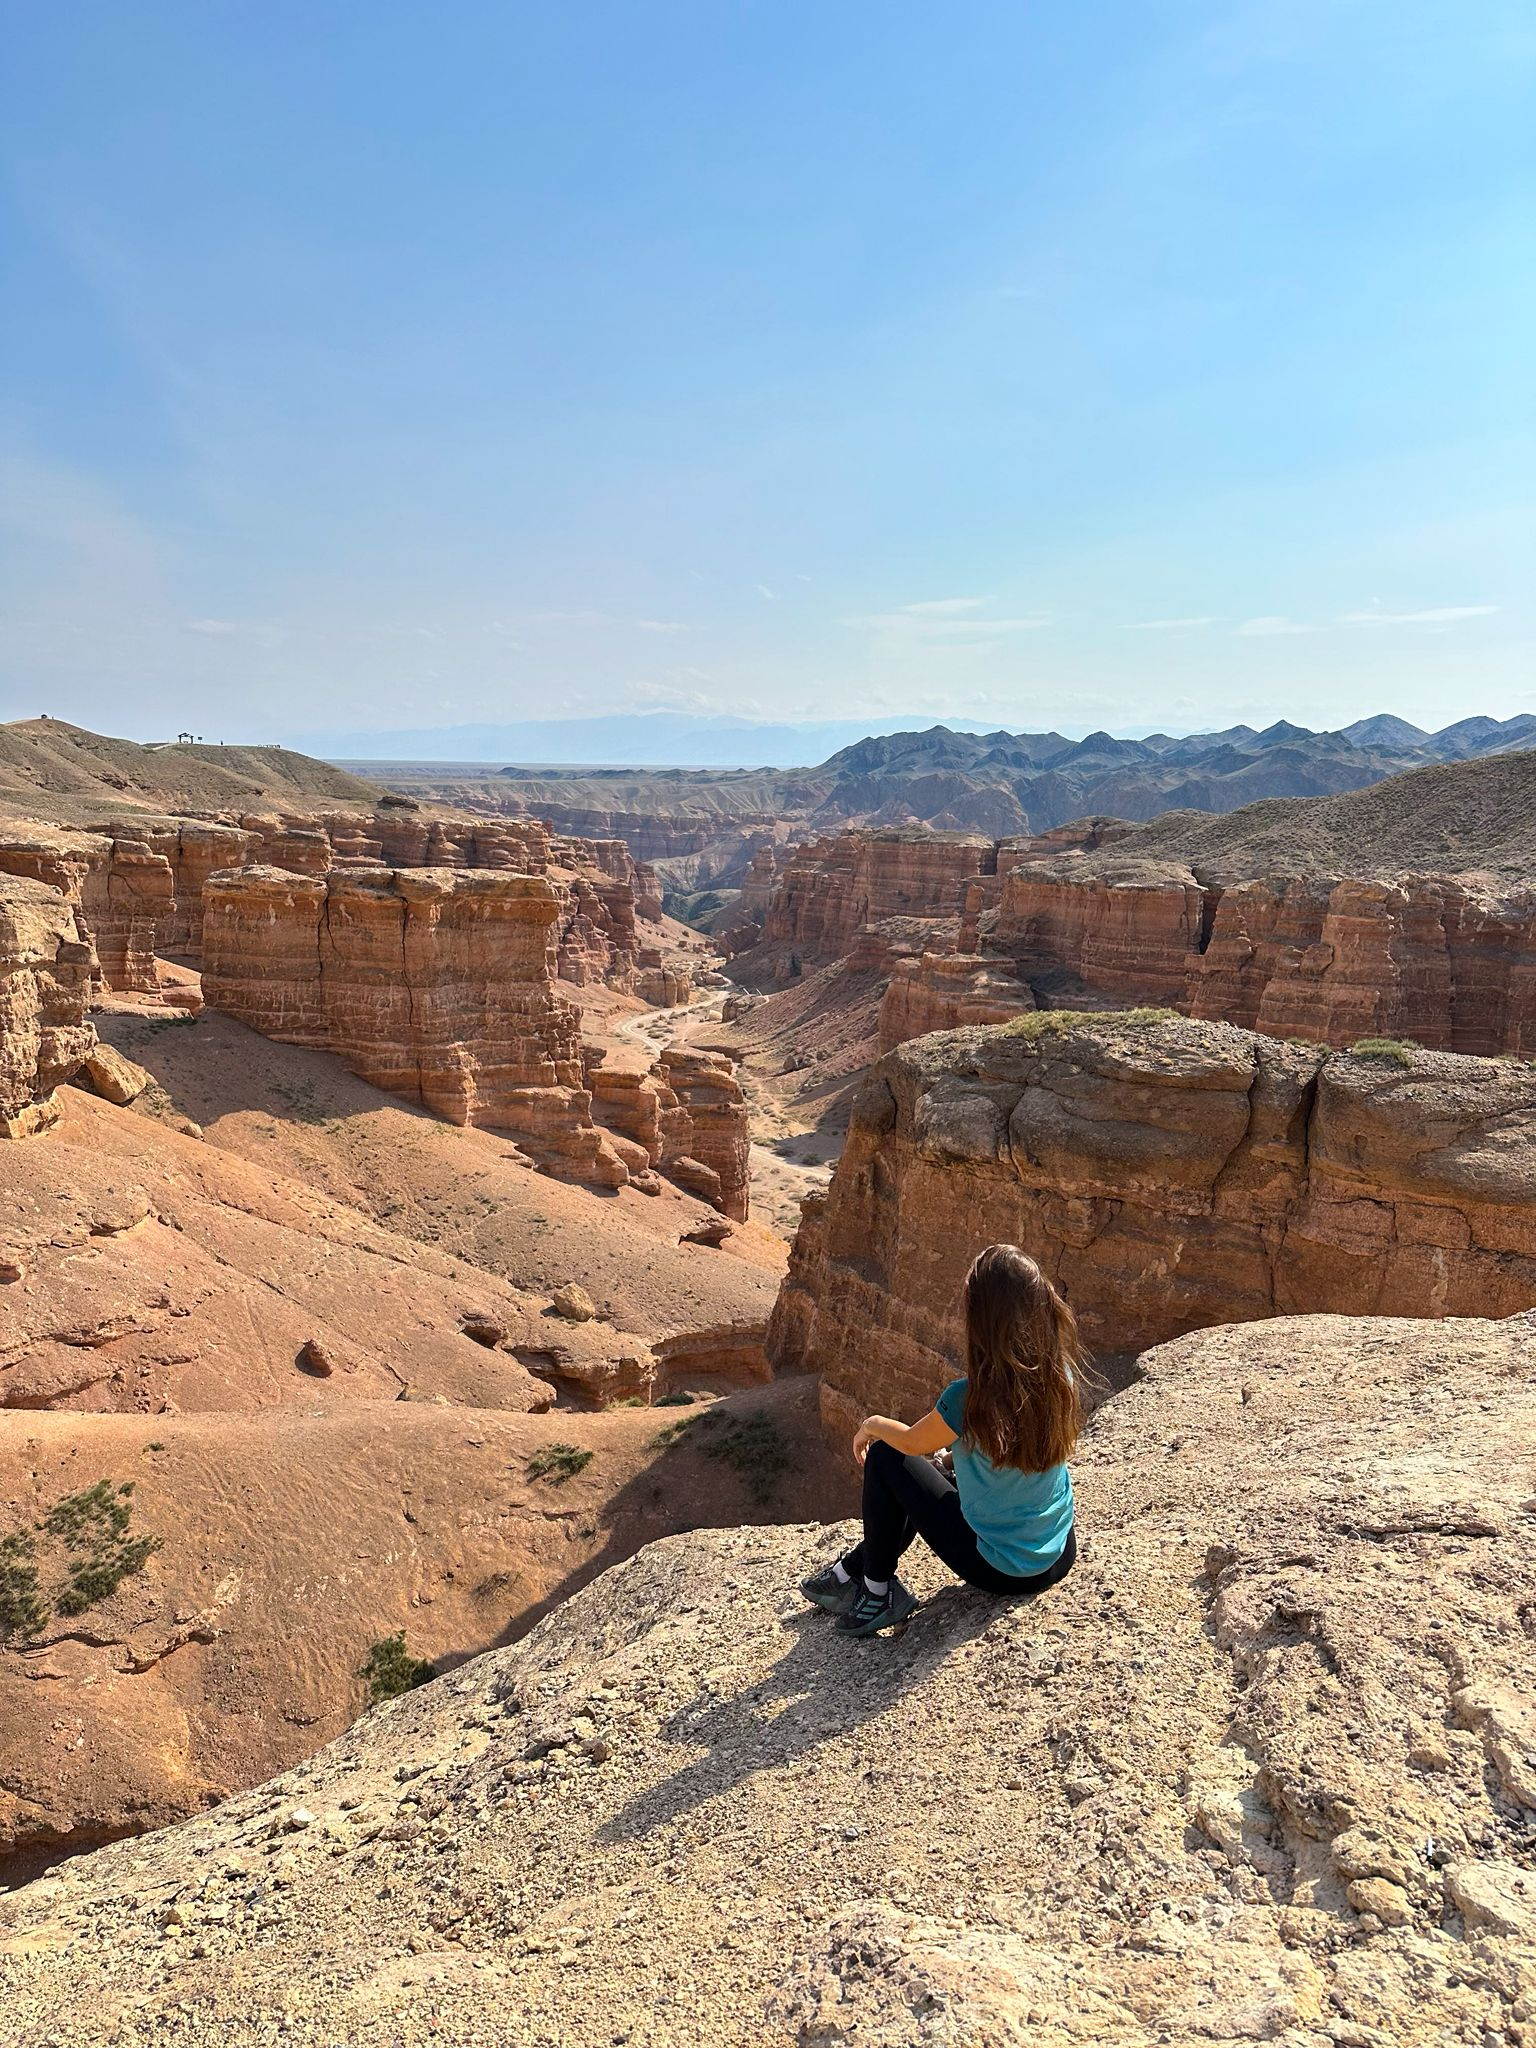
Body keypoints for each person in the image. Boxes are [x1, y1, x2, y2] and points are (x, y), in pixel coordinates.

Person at [801, 1244, 1084, 1637]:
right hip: (1058, 1551)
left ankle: (877, 1593)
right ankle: (850, 1570)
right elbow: (1000, 1454)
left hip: (1004, 1570)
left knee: (887, 1456)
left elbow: (914, 1443)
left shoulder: (969, 1397)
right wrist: (946, 1466)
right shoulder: (1057, 1375)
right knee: (930, 1475)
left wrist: (872, 1423)